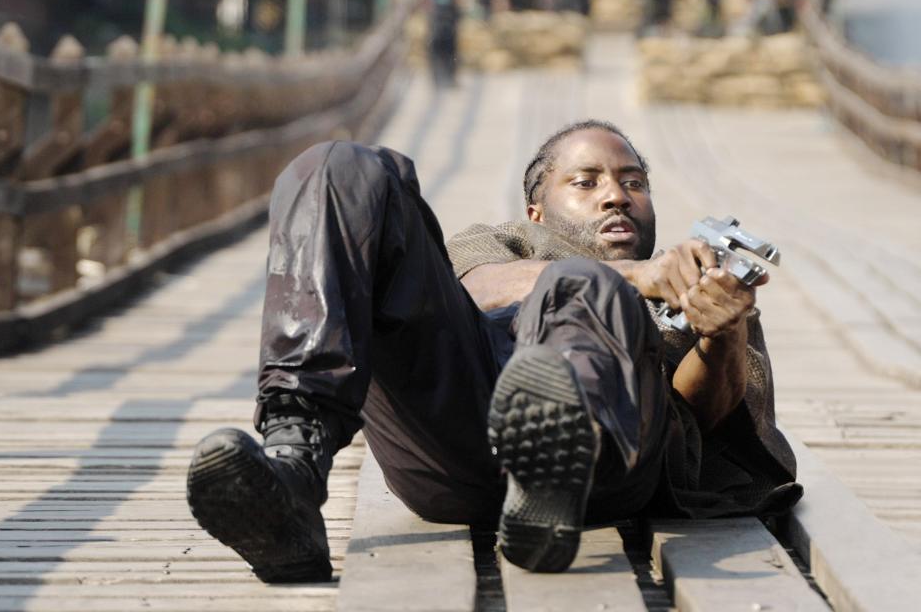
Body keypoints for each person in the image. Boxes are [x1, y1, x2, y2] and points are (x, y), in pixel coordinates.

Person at [185, 120, 801, 582]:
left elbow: (697, 422)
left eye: (632, 183)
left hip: (603, 471)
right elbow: (478, 291)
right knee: (337, 165)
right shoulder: (498, 242)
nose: (615, 195)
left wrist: (722, 331)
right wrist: (630, 277)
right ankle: (295, 467)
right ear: (536, 210)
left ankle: (551, 481)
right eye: (586, 183)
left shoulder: (701, 279)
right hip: (452, 442)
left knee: (586, 286)